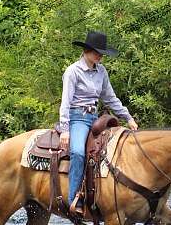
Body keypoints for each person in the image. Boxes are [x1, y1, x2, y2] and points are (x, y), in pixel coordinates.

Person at [59, 31, 139, 215]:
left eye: (102, 53)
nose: (100, 55)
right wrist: (65, 129)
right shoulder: (73, 71)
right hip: (77, 118)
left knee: (115, 150)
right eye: (97, 52)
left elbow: (110, 98)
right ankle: (74, 199)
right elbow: (65, 102)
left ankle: (106, 196)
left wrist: (128, 117)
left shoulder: (101, 71)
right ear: (87, 50)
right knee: (78, 153)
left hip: (95, 119)